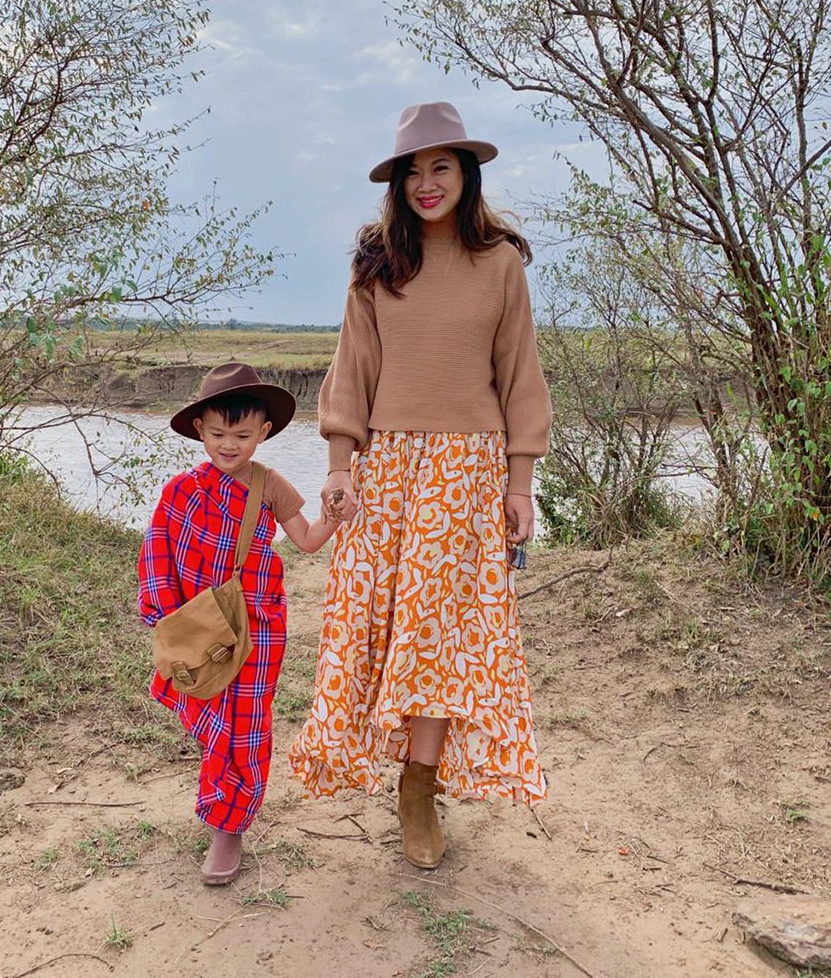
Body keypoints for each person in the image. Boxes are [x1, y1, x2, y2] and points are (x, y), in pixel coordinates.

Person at [288, 101, 552, 869]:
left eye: (441, 167)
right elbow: (351, 373)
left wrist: (520, 482)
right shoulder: (379, 262)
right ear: (396, 183)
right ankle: (394, 769)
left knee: (437, 638)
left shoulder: (500, 261)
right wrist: (340, 466)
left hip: (466, 473)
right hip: (389, 471)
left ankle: (418, 784)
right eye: (412, 171)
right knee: (375, 625)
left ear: (467, 174)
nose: (426, 184)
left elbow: (521, 379)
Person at [138, 362, 337, 885]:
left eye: (243, 435)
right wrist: (165, 615)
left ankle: (229, 826)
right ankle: (221, 798)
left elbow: (309, 540)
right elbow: (157, 552)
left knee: (245, 726)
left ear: (264, 433)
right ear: (200, 428)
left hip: (256, 627)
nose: (230, 445)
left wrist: (335, 514)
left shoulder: (270, 485)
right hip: (198, 625)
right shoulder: (180, 491)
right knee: (213, 720)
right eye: (220, 433)